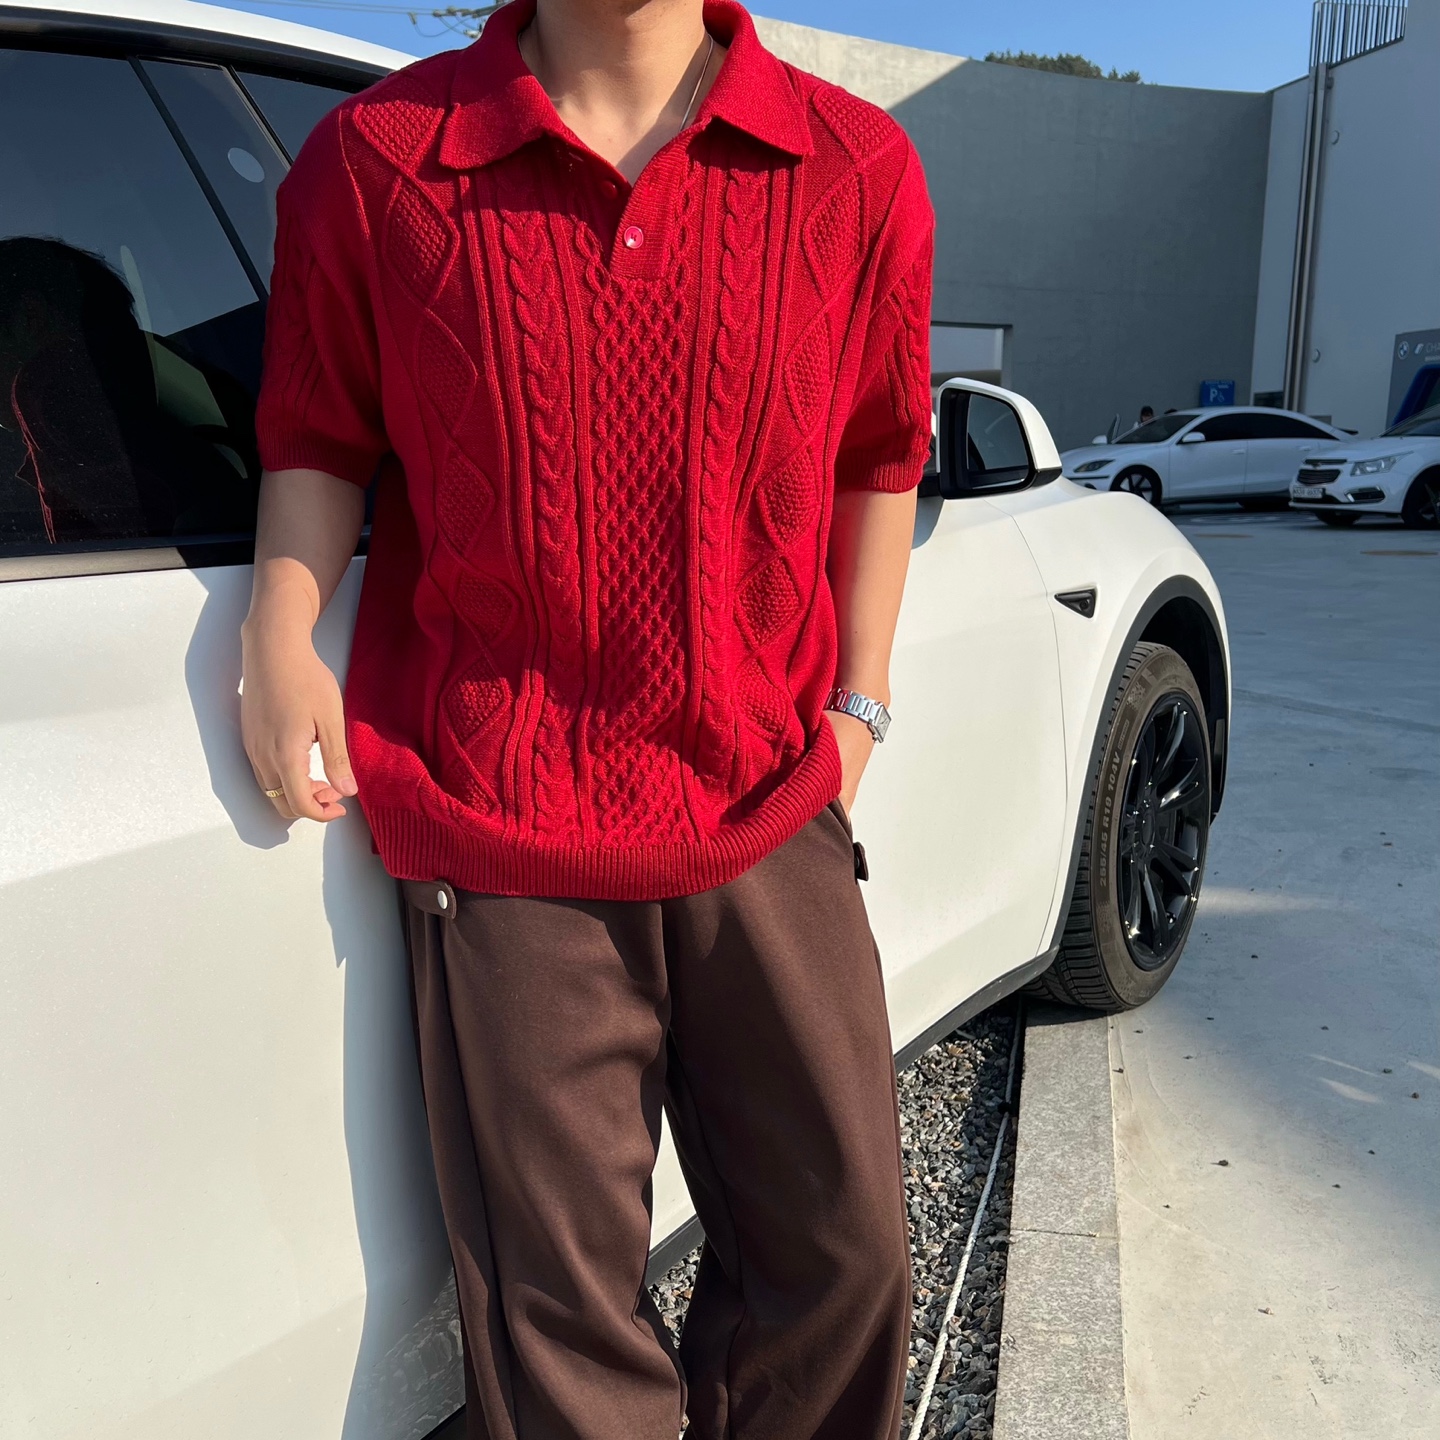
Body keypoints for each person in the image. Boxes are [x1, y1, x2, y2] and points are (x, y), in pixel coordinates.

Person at [241, 1, 933, 1435]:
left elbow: (881, 452)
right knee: (557, 1324)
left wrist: (860, 704)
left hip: (770, 806)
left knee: (847, 1262)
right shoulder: (375, 162)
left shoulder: (854, 165)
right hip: (506, 842)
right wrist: (278, 628)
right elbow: (317, 430)